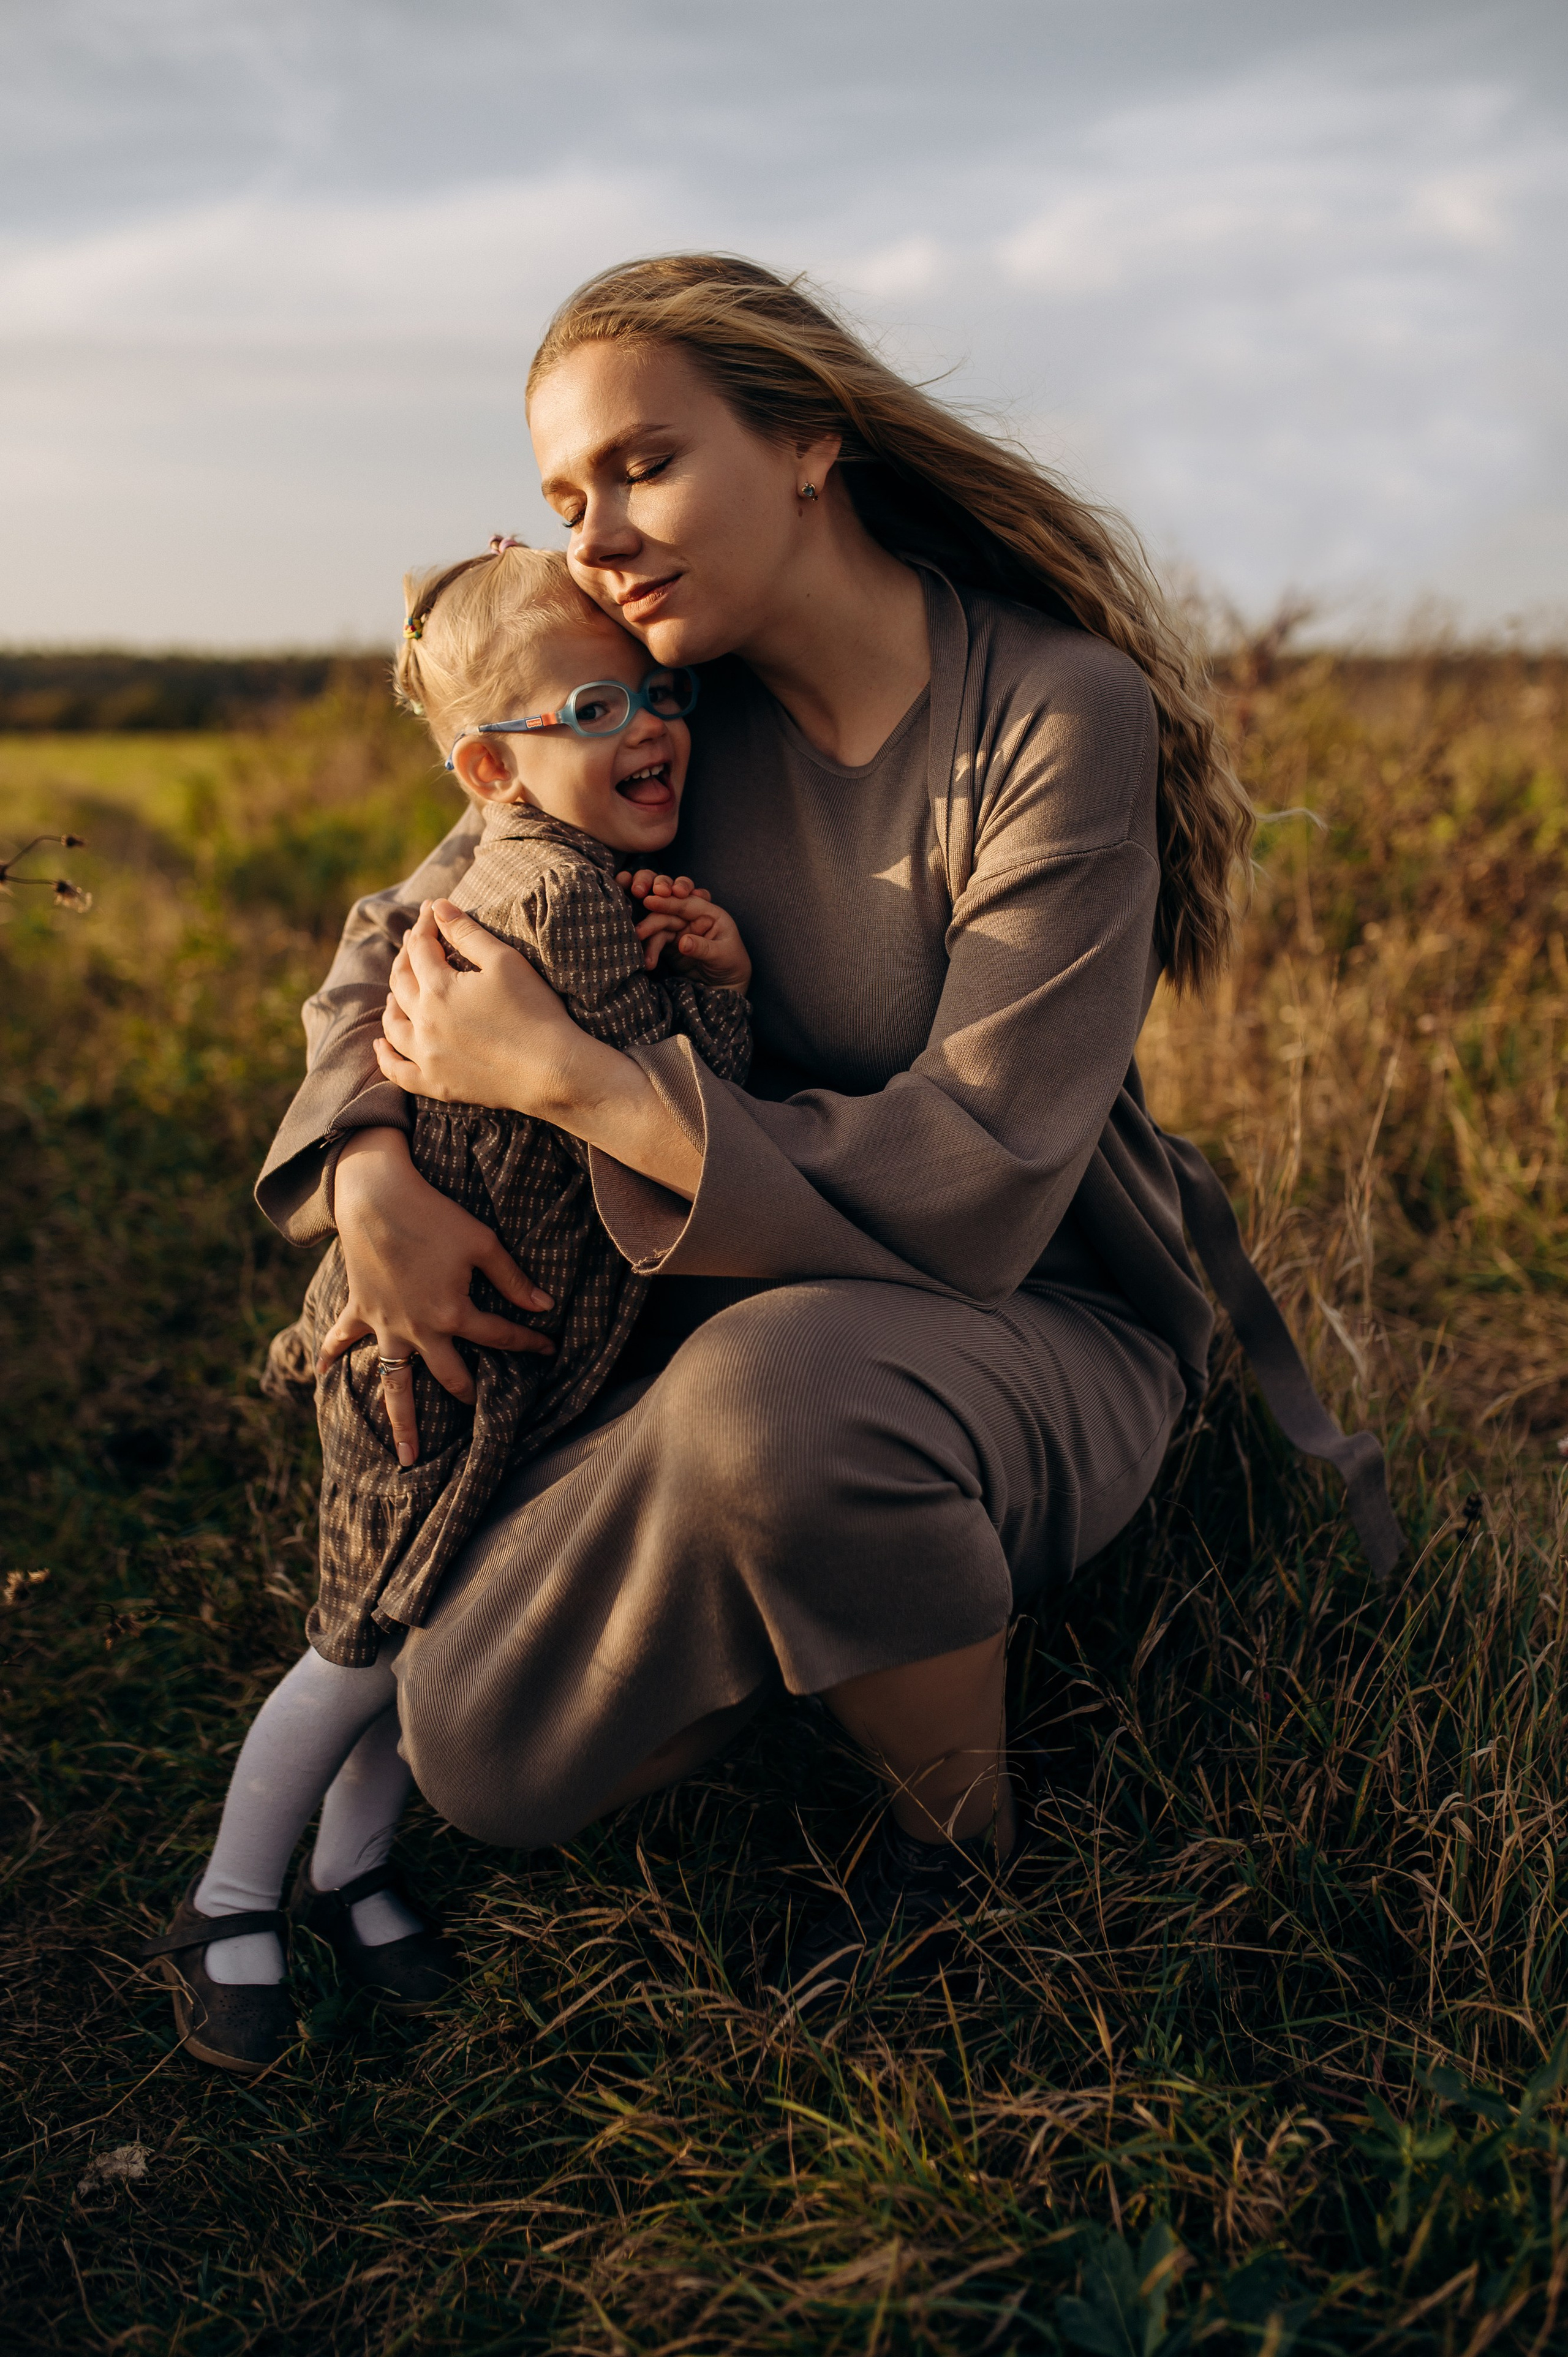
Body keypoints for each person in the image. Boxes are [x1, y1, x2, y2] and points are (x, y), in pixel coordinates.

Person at [232, 254, 1400, 2024]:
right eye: (565, 497)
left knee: (788, 1394)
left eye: (642, 465)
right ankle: (834, 1581)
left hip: (1034, 1313)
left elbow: (989, 1171)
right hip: (717, 1332)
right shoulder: (655, 726)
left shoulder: (1046, 708)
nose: (600, 534)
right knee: (476, 1752)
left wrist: (580, 1085)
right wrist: (370, 1171)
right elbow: (396, 946)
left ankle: (958, 1866)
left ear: (806, 442)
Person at [143, 539, 752, 2072]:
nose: (652, 726)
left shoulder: (550, 867)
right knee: (356, 1641)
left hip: (515, 1346)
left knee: (427, 1629)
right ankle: (228, 1899)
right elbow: (682, 1109)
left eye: (660, 694)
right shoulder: (559, 902)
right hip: (432, 1349)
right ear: (490, 765)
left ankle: (349, 1873)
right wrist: (724, 993)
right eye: (597, 703)